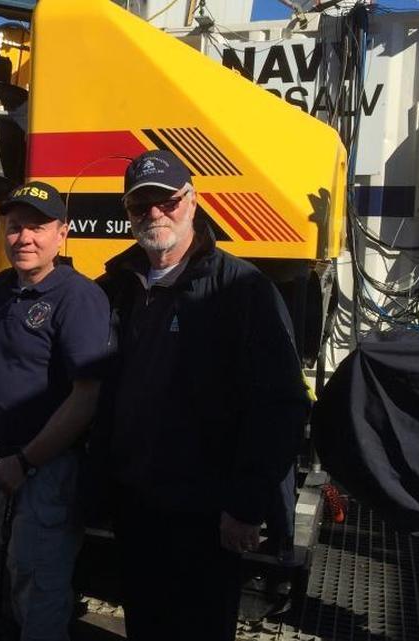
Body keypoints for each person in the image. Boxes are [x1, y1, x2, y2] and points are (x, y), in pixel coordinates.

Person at [96, 149, 309, 640]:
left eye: (167, 201)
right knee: (145, 626)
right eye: (140, 206)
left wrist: (246, 504)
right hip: (136, 504)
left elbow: (280, 403)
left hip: (207, 514)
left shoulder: (242, 289)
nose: (155, 214)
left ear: (192, 202)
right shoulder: (117, 287)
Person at [0, 182, 110, 641]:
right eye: (14, 227)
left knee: (36, 586)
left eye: (37, 228)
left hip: (43, 471)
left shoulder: (78, 298)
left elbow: (86, 397)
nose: (24, 238)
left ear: (62, 234)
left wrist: (26, 462)